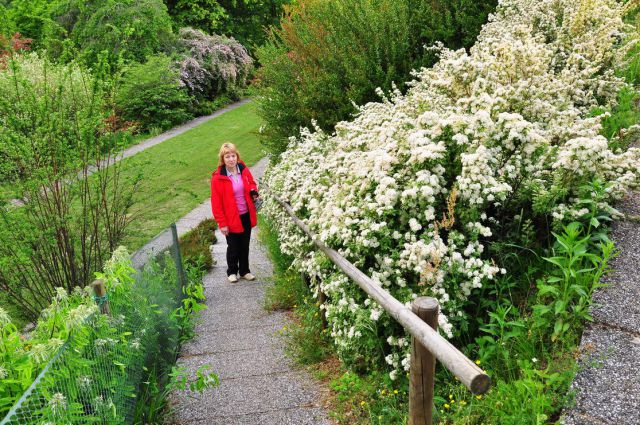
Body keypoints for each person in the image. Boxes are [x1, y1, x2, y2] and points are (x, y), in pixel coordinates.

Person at [210, 142, 260, 283]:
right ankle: (232, 271)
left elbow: (251, 182)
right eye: (227, 156)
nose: (231, 159)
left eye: (233, 156)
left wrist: (253, 190)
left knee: (245, 245)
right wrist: (222, 223)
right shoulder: (217, 178)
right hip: (230, 218)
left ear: (237, 157)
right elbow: (216, 203)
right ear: (222, 159)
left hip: (245, 214)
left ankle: (244, 271)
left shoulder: (243, 169)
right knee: (233, 246)